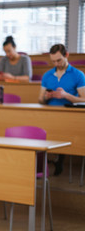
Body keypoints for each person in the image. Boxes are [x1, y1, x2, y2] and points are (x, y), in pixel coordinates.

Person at [39, 44, 85, 176]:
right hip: (49, 115)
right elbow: (40, 100)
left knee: (62, 129)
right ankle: (47, 161)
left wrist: (66, 95)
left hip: (69, 116)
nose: (56, 64)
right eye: (53, 61)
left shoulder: (78, 75)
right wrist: (45, 97)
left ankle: (58, 159)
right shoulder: (47, 75)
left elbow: (84, 99)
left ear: (67, 55)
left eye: (59, 60)